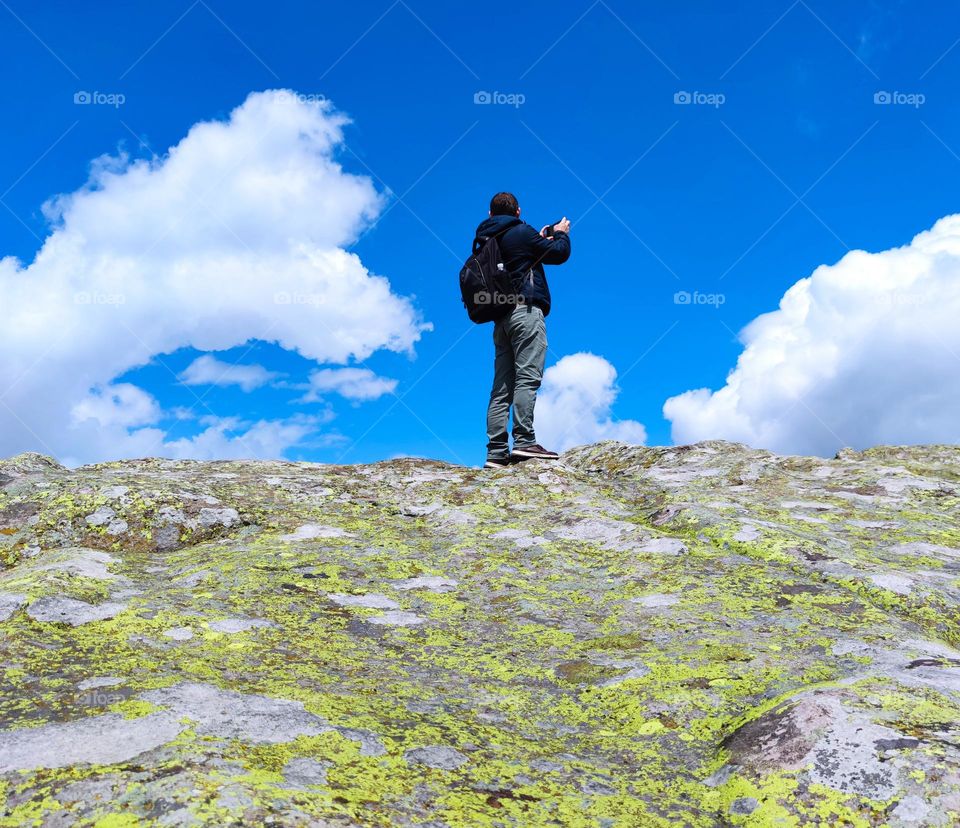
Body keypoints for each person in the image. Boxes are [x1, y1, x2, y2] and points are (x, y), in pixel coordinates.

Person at [477, 192, 571, 469]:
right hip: (525, 313)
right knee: (527, 378)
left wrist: (541, 238)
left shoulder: (484, 240)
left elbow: (528, 252)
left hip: (500, 318)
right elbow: (559, 254)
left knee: (501, 387)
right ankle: (524, 442)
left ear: (491, 214)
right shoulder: (520, 231)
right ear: (517, 211)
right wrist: (561, 234)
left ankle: (495, 452)